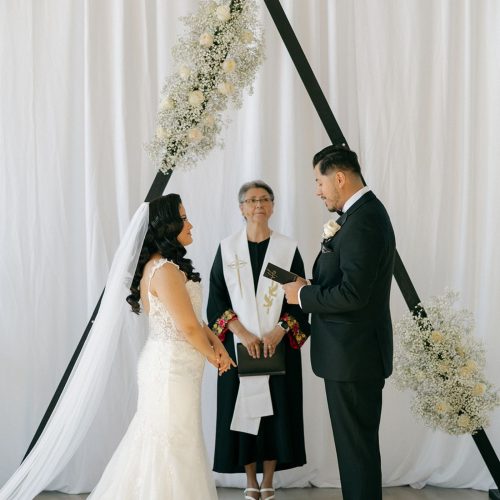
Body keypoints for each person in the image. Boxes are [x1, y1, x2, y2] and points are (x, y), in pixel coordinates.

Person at [88, 194, 236, 499]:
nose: (190, 224)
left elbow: (196, 322)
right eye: (183, 218)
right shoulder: (164, 271)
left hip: (177, 366)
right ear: (165, 226)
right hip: (170, 370)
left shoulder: (167, 266)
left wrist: (217, 344)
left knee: (177, 441)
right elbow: (188, 327)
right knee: (172, 445)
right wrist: (215, 358)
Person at [283, 146, 395, 500]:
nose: (317, 190)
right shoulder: (356, 216)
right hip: (349, 355)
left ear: (340, 178)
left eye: (319, 181)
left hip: (354, 357)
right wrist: (311, 286)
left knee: (356, 451)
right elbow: (348, 284)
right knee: (353, 451)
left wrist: (303, 297)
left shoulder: (365, 220)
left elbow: (353, 295)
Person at [207, 180, 310, 500]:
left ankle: (269, 479)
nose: (258, 205)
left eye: (265, 199)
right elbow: (217, 299)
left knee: (277, 412)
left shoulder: (284, 250)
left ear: (273, 206)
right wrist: (243, 333)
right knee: (243, 413)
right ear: (241, 209)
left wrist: (280, 330)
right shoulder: (228, 251)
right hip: (240, 348)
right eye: (251, 200)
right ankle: (249, 477)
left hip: (275, 346)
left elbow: (299, 296)